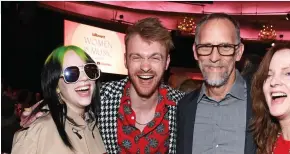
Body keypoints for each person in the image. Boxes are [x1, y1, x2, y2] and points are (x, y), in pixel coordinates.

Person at [21, 18, 184, 154]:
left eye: (155, 58)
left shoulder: (184, 105)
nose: (145, 67)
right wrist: (43, 109)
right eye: (137, 57)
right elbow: (70, 102)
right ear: (125, 60)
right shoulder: (101, 97)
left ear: (167, 62)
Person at [177, 13, 256, 154]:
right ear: (195, 52)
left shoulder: (262, 103)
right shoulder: (184, 108)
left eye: (225, 47)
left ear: (239, 52)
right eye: (206, 47)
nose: (214, 57)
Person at [12, 45, 106, 153]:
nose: (85, 78)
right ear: (56, 85)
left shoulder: (95, 128)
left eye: (89, 70)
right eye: (72, 73)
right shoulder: (39, 130)